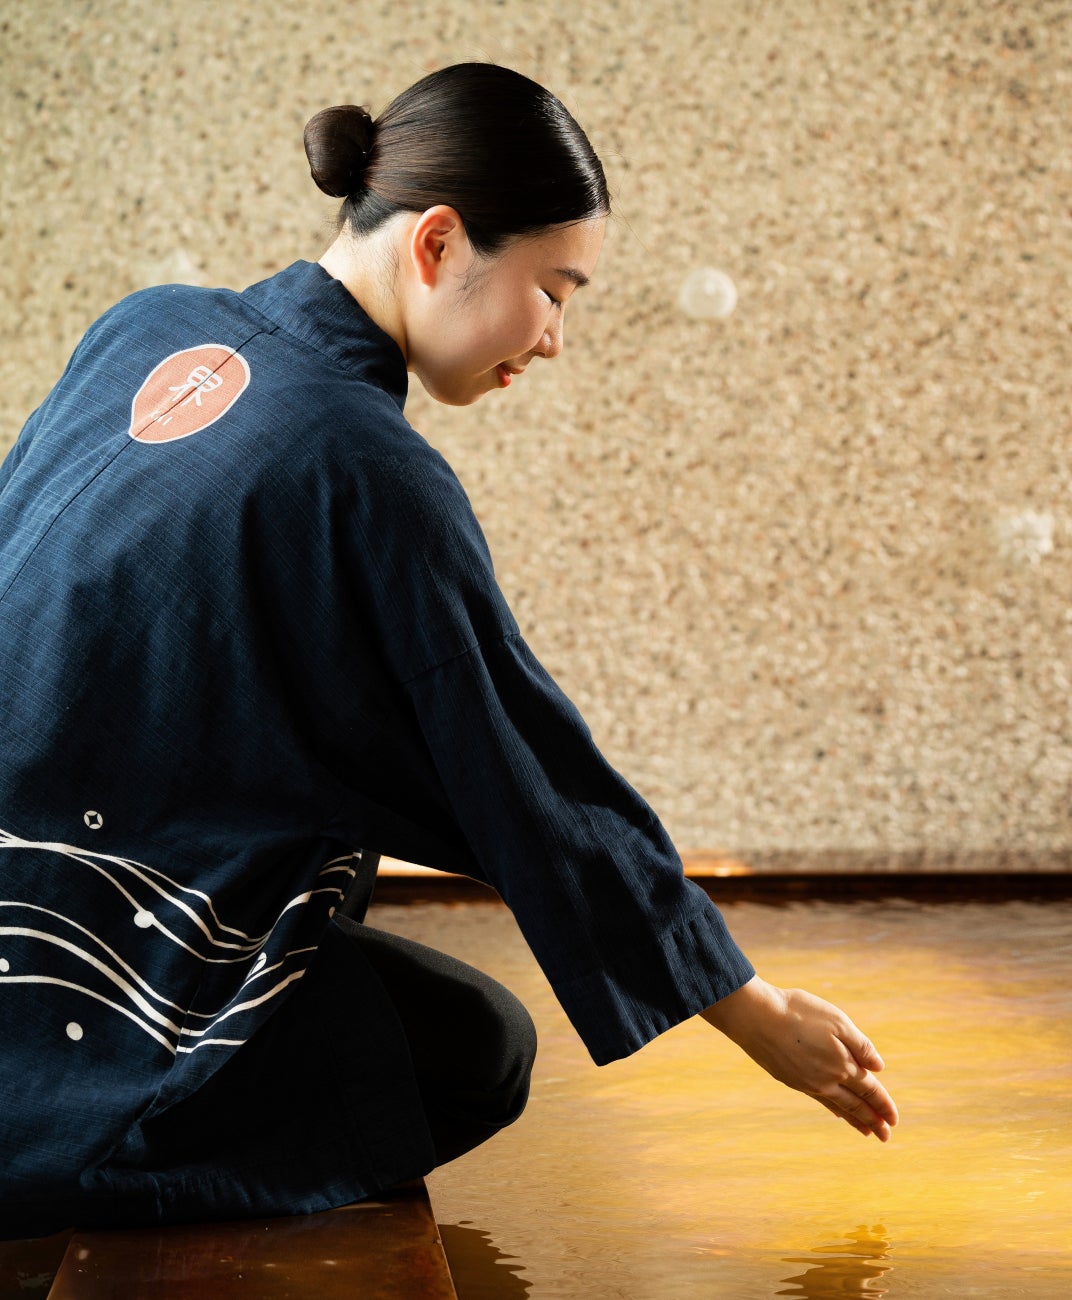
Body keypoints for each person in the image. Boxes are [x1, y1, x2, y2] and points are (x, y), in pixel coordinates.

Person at [0, 62, 896, 1239]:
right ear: (437, 243)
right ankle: (70, 1150)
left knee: (330, 799)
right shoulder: (367, 469)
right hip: (86, 1005)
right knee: (479, 1047)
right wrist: (750, 1008)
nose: (557, 338)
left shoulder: (149, 324)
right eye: (555, 289)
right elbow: (522, 766)